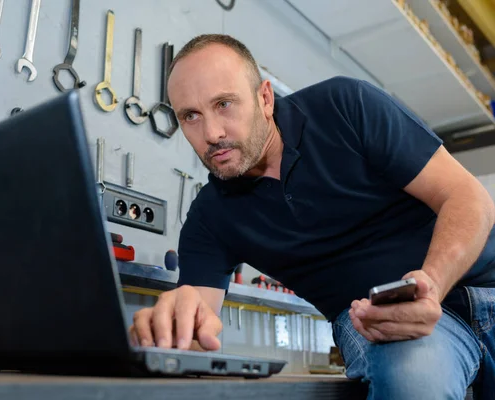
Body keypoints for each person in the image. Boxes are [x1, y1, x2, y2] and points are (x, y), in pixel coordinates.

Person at [129, 34, 495, 399]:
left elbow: (468, 198)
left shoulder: (346, 106)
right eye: (190, 116)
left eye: (224, 104)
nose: (212, 133)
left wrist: (430, 285)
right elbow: (195, 327)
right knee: (414, 386)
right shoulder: (209, 218)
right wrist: (171, 333)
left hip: (486, 288)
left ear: (265, 99)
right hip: (384, 325)